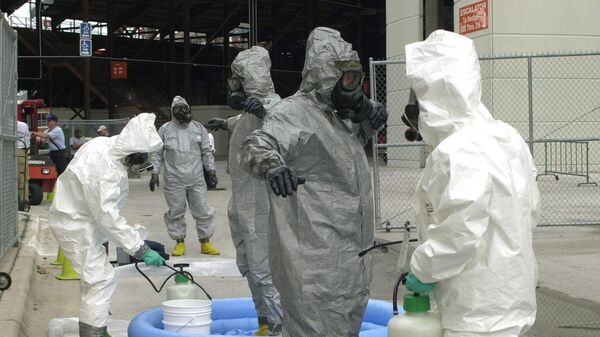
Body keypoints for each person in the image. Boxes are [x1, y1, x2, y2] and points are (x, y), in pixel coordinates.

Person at [241, 27, 387, 337]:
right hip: (313, 258)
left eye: (355, 80)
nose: (353, 88)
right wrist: (272, 165)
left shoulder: (339, 118)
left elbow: (350, 147)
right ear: (325, 75)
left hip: (351, 255)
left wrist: (366, 118)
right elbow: (258, 143)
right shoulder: (294, 113)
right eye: (346, 80)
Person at [402, 30, 540, 337]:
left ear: (434, 91)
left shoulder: (457, 150)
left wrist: (423, 269)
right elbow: (530, 211)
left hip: (475, 307)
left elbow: (459, 231)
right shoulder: (507, 136)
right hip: (510, 293)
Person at [48, 113, 167, 337]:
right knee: (100, 280)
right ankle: (94, 333)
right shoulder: (108, 171)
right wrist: (140, 249)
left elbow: (102, 213)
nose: (142, 162)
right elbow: (107, 215)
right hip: (76, 225)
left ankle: (95, 327)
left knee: (95, 279)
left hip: (81, 218)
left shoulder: (103, 144)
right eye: (140, 157)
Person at [207, 46, 283, 336]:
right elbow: (244, 121)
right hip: (241, 202)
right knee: (248, 264)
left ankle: (279, 326)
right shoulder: (248, 111)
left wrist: (263, 112)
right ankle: (264, 320)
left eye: (237, 77)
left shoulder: (278, 107)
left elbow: (286, 129)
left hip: (263, 205)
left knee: (265, 269)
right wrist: (225, 123)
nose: (233, 84)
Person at [150, 96, 220, 256]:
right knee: (175, 211)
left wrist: (211, 170)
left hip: (196, 179)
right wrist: (154, 171)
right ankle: (179, 242)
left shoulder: (198, 128)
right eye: (177, 109)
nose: (182, 112)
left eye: (184, 108)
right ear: (172, 111)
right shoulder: (165, 130)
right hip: (174, 180)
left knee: (203, 210)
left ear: (189, 109)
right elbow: (157, 153)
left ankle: (206, 243)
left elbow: (206, 151)